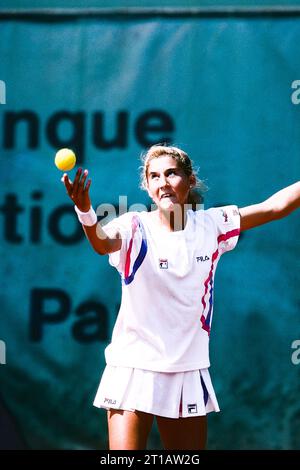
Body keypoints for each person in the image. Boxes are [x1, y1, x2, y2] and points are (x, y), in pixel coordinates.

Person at [62, 144, 300, 450]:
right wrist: (85, 210)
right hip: (132, 366)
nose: (163, 182)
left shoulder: (213, 225)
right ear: (147, 187)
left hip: (187, 368)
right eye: (154, 176)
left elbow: (275, 207)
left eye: (171, 173)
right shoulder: (134, 227)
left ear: (190, 181)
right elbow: (102, 243)